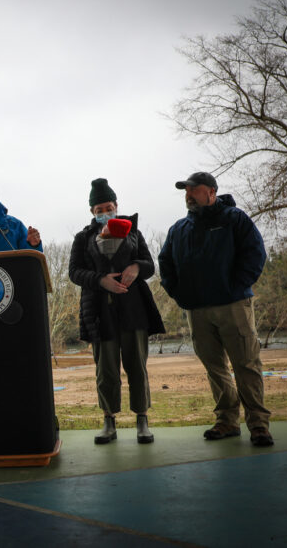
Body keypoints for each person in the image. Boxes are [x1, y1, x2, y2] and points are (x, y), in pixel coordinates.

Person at [158, 172, 273, 447]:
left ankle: (258, 424)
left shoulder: (234, 219)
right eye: (185, 190)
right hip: (197, 310)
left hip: (233, 305)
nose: (188, 194)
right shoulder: (178, 229)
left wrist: (235, 287)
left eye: (193, 189)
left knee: (246, 364)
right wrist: (180, 294)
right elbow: (166, 264)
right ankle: (227, 421)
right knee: (215, 368)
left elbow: (255, 254)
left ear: (211, 192)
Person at [69, 178, 165, 445]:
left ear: (116, 206)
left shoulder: (133, 232)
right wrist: (101, 280)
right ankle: (108, 421)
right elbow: (74, 272)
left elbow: (149, 265)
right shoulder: (83, 237)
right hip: (100, 313)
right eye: (99, 209)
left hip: (133, 311)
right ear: (92, 212)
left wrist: (136, 267)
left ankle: (142, 421)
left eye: (108, 207)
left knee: (137, 367)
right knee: (106, 371)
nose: (104, 212)